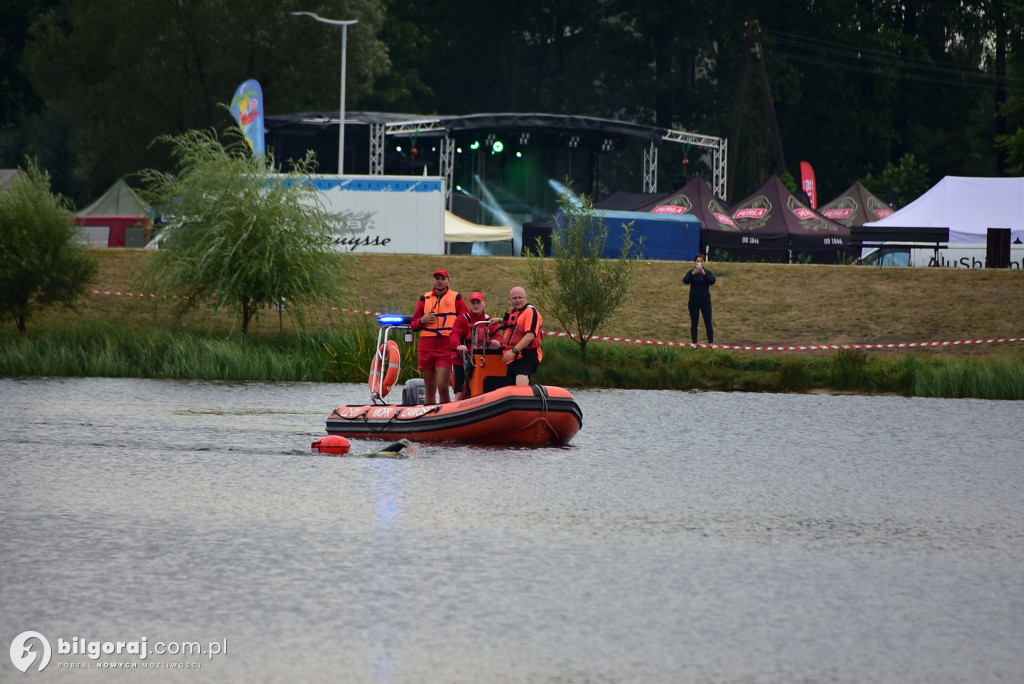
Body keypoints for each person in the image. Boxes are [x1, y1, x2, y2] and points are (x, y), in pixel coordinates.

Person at [410, 267, 470, 404]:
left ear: (448, 281)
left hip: (446, 346)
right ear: (433, 280)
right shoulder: (424, 299)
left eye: (443, 279)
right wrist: (422, 321)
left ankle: (445, 413)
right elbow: (414, 324)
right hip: (426, 347)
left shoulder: (457, 298)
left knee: (442, 385)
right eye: (437, 278)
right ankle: (428, 416)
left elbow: (466, 322)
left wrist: (459, 339)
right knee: (430, 387)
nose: (440, 281)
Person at [490, 286, 543, 386]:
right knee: (503, 384)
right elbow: (515, 326)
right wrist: (501, 320)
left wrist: (513, 351)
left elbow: (530, 335)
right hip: (512, 358)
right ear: (510, 300)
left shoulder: (530, 312)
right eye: (514, 298)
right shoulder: (514, 313)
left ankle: (524, 397)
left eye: (520, 297)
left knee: (521, 378)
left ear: (526, 298)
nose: (517, 300)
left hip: (527, 355)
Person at [449, 291, 497, 400]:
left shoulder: (489, 320)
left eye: (478, 303)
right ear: (469, 305)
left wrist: (496, 341)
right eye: (473, 303)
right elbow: (454, 334)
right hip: (464, 361)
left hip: (484, 361)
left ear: (483, 303)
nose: (476, 306)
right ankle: (456, 409)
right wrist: (458, 345)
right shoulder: (462, 319)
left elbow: (498, 334)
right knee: (460, 392)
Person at [682, 253, 716, 345]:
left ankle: (711, 343)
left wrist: (704, 274)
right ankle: (695, 343)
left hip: (705, 302)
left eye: (701, 261)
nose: (699, 263)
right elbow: (685, 280)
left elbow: (712, 281)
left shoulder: (708, 272)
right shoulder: (691, 272)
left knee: (708, 322)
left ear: (704, 263)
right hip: (694, 302)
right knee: (694, 323)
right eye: (697, 261)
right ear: (695, 262)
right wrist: (693, 273)